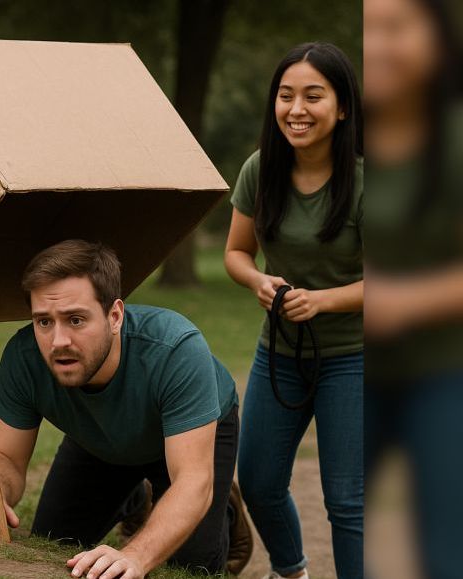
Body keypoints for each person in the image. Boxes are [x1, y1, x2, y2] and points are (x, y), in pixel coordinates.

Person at [0, 239, 249, 578]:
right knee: (54, 543)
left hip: (190, 436)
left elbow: (193, 479)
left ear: (115, 316)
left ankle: (223, 507)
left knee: (192, 565)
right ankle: (135, 499)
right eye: (44, 321)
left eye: (75, 319)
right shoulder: (23, 358)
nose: (58, 341)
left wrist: (135, 555)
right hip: (98, 438)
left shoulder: (176, 350)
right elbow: (4, 456)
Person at [224, 42, 363, 579]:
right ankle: (292, 571)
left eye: (313, 96)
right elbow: (236, 253)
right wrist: (259, 280)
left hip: (353, 357)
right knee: (257, 481)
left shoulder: (368, 177)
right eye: (286, 96)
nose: (296, 109)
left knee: (348, 501)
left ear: (343, 106)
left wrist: (322, 300)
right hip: (278, 353)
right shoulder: (261, 168)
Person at [364, 0, 463, 577]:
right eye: (367, 28)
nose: (376, 44)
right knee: (350, 531)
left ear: (436, 37)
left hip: (444, 370)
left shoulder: (452, 140)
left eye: (395, 27)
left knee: (446, 553)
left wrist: (400, 301)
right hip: (356, 367)